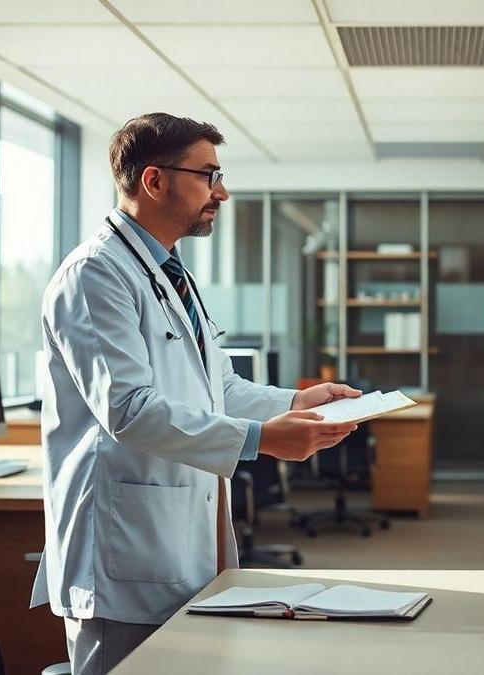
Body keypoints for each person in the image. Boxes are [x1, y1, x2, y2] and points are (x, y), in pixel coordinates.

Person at [30, 113, 361, 674]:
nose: (222, 192)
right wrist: (261, 441)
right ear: (154, 180)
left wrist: (294, 404)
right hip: (125, 548)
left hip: (184, 539)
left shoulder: (167, 273)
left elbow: (217, 388)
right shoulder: (94, 275)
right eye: (208, 175)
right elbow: (127, 410)